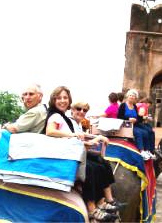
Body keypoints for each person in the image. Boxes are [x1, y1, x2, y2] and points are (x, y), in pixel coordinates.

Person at [44, 86, 120, 222]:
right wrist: (74, 135)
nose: (62, 101)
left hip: (71, 152)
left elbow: (78, 135)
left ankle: (105, 200)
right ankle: (91, 209)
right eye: (59, 98)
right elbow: (50, 131)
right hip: (63, 155)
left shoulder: (63, 117)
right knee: (90, 168)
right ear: (53, 100)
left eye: (65, 98)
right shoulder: (55, 115)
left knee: (99, 163)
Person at [117, 89, 155, 160]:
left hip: (134, 124)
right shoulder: (123, 105)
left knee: (146, 132)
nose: (131, 97)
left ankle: (147, 150)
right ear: (128, 96)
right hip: (126, 125)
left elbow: (138, 117)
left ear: (135, 98)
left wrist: (142, 118)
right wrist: (128, 119)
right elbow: (119, 116)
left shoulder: (134, 106)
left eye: (133, 96)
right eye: (130, 95)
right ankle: (141, 151)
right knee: (139, 133)